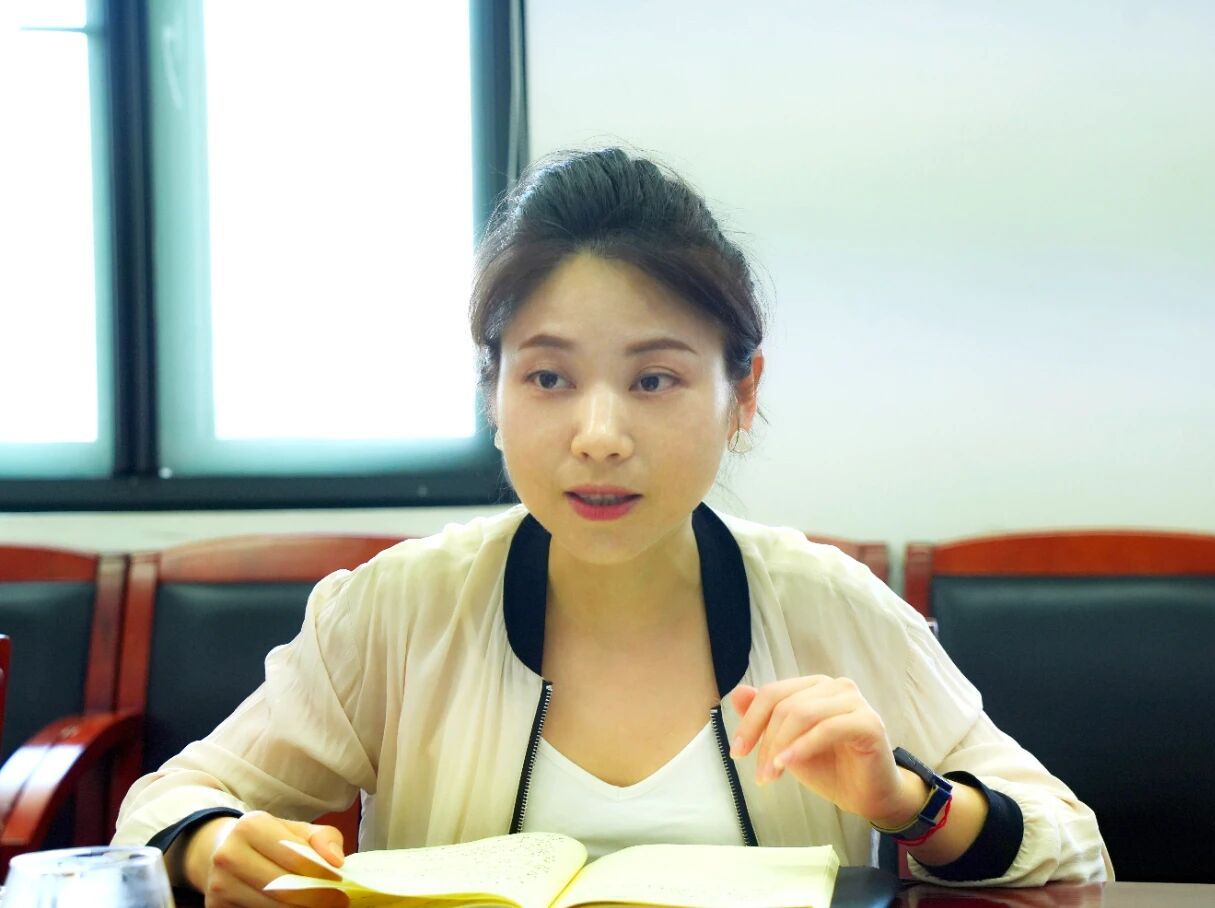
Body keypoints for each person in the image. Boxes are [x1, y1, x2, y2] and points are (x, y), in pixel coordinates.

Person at [113, 148, 1111, 905]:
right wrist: (213, 845)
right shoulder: (397, 608)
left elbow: (1071, 845)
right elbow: (165, 802)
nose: (598, 436)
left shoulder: (828, 604)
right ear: (492, 391)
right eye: (548, 376)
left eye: (654, 379)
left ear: (741, 394)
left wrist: (907, 800)